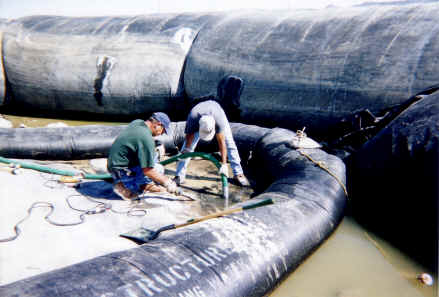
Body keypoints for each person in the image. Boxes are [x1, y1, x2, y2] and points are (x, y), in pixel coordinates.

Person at [174, 100, 250, 187]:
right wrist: (186, 151)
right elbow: (189, 136)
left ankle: (238, 173)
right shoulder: (193, 118)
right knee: (188, 146)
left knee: (229, 143)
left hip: (216, 111)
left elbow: (222, 143)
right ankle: (179, 176)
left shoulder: (219, 122)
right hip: (199, 114)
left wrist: (224, 164)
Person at [107, 112, 179, 201]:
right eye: (163, 130)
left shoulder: (138, 122)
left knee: (155, 154)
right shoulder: (146, 138)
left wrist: (154, 145)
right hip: (121, 171)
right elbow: (148, 171)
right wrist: (168, 183)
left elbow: (137, 140)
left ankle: (144, 184)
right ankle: (123, 186)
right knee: (157, 169)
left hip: (114, 164)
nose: (162, 134)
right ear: (158, 125)